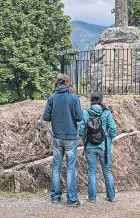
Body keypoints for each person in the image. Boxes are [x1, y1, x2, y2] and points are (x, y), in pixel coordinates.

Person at [42, 74, 83, 207]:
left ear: (57, 83)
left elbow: (46, 117)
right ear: (68, 83)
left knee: (56, 166)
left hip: (57, 136)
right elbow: (79, 116)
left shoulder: (52, 97)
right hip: (70, 136)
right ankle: (72, 199)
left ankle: (55, 196)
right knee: (70, 168)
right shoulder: (73, 97)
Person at [78, 91, 117, 203]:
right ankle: (111, 197)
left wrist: (85, 138)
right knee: (107, 172)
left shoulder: (86, 111)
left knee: (91, 172)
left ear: (91, 99)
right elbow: (113, 129)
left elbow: (81, 129)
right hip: (104, 146)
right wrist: (110, 138)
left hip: (90, 146)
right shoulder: (106, 112)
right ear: (101, 99)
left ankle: (92, 198)